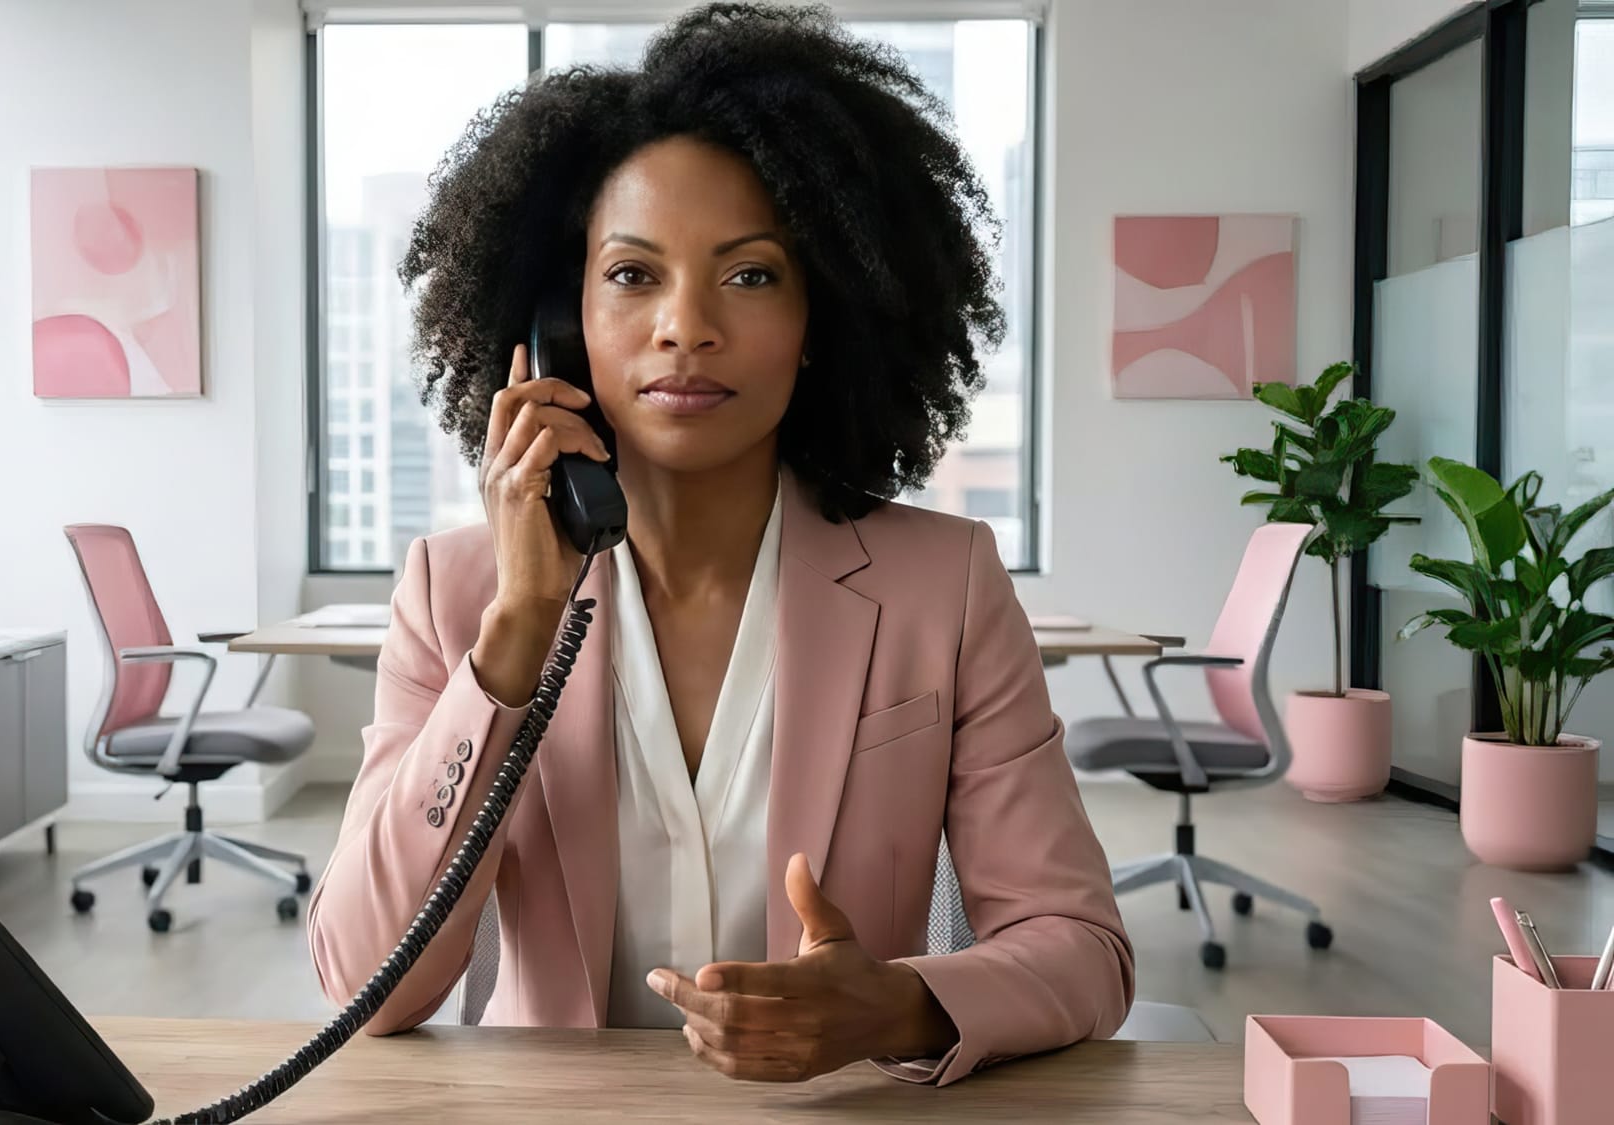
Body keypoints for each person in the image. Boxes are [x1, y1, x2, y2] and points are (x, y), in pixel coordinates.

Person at [307, 1, 1133, 1085]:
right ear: (560, 325)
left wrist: (894, 1004)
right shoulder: (454, 593)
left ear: (821, 315)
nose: (685, 326)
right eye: (632, 274)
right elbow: (362, 984)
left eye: (750, 275)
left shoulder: (946, 587)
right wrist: (515, 633)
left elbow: (1083, 950)